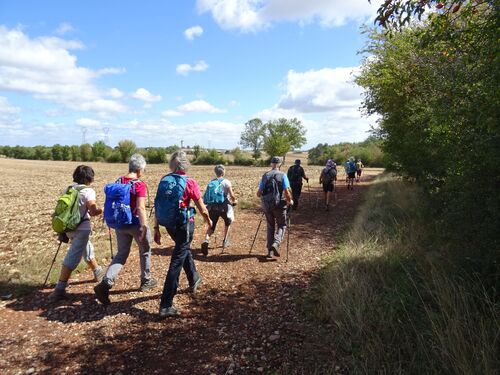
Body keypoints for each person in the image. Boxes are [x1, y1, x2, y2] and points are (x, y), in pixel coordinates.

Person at [153, 151, 213, 318]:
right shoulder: (189, 182)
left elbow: (157, 204)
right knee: (177, 260)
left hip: (168, 224)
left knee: (182, 248)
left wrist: (156, 227)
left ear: (172, 165)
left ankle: (194, 278)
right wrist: (209, 221)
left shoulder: (164, 180)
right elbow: (201, 206)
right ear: (186, 165)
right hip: (184, 224)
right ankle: (166, 304)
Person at [94, 154, 157, 305]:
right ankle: (146, 280)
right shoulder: (139, 185)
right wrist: (144, 226)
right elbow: (141, 208)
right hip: (135, 223)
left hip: (119, 224)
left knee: (121, 254)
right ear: (140, 169)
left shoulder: (118, 181)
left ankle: (106, 283)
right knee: (145, 250)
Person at [50, 165, 104, 301]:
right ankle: (59, 289)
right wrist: (102, 210)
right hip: (82, 228)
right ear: (90, 178)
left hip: (69, 228)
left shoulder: (69, 189)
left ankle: (98, 271)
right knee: (73, 257)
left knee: (86, 248)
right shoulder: (88, 191)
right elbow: (92, 211)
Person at [257, 156, 293, 259]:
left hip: (267, 206)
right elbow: (286, 191)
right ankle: (276, 243)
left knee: (270, 226)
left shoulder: (265, 176)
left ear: (271, 164)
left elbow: (258, 194)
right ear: (280, 164)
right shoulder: (283, 175)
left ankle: (270, 252)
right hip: (280, 205)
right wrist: (290, 200)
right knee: (282, 225)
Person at [201, 164, 238, 256]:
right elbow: (232, 195)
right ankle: (225, 241)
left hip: (212, 207)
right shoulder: (226, 182)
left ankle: (206, 240)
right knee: (227, 222)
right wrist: (235, 200)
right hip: (223, 207)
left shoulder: (212, 182)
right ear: (223, 172)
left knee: (212, 225)